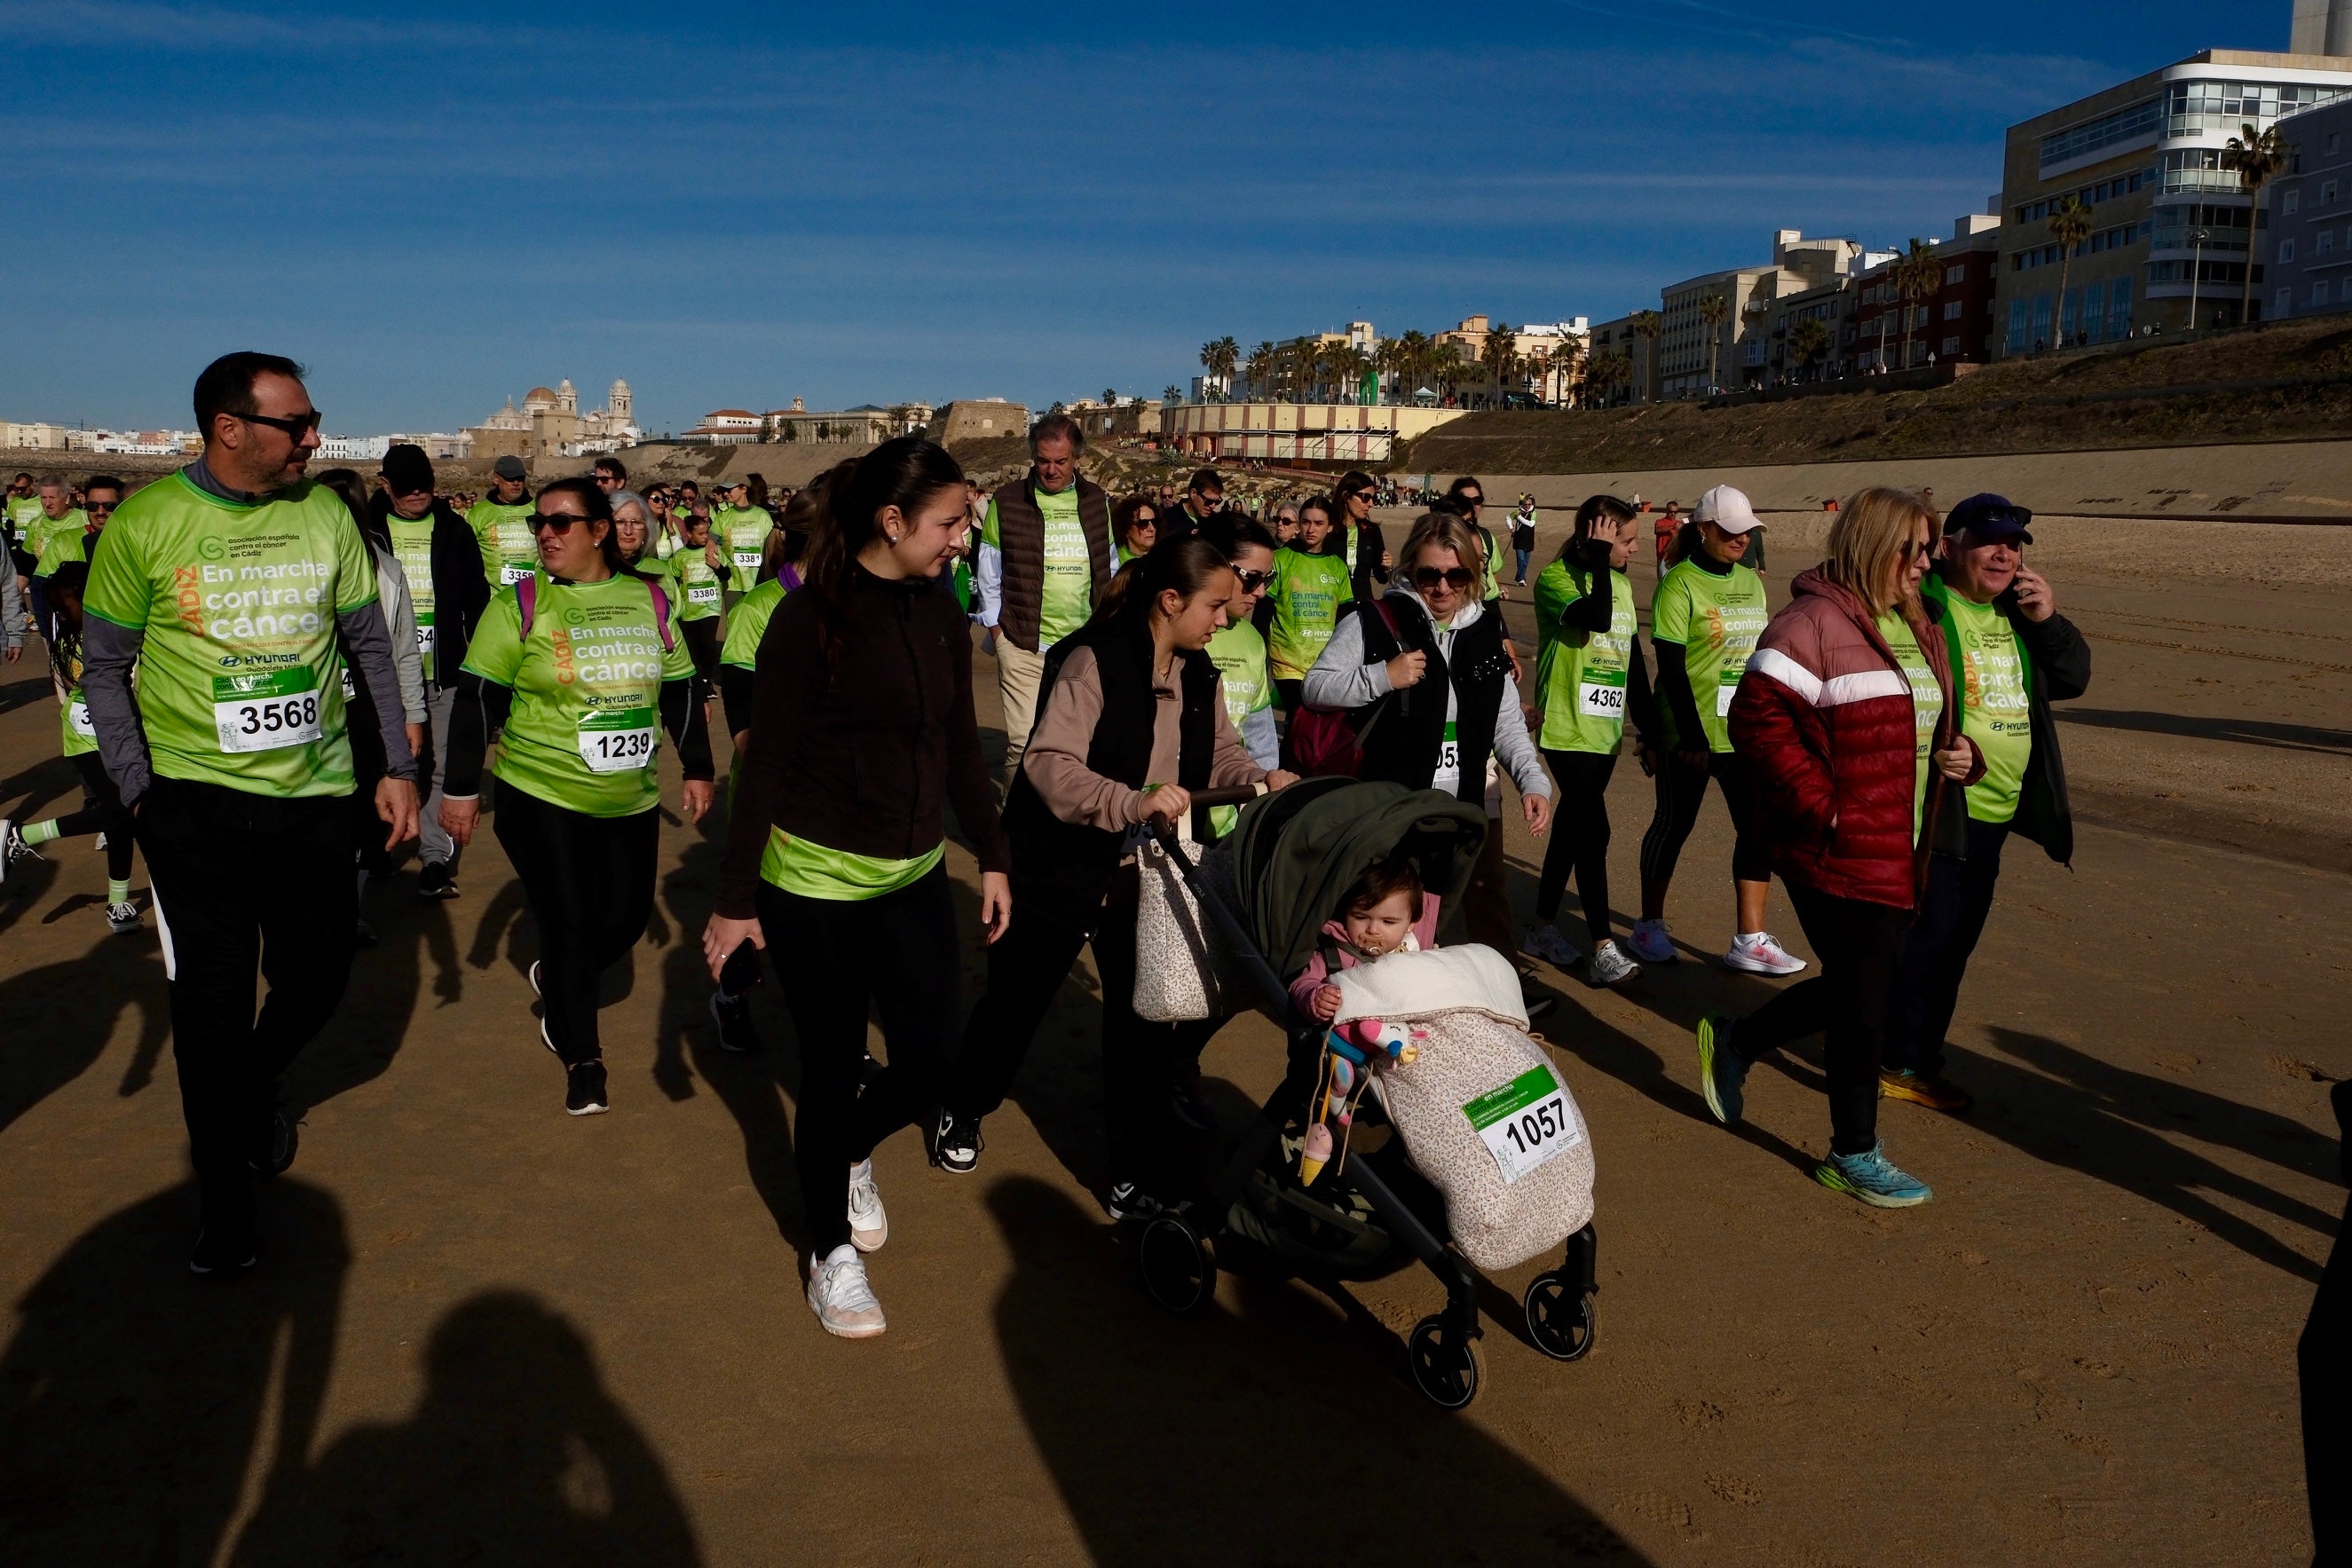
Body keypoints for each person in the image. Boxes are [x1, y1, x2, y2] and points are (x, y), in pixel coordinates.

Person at [78, 351, 419, 1273]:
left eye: (312, 424)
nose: (315, 437)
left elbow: (369, 650)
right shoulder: (147, 524)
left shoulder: (327, 514)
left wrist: (395, 763)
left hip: (316, 798)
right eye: (297, 424)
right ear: (231, 428)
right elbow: (103, 665)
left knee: (317, 980)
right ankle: (223, 1204)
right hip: (193, 810)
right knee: (210, 1010)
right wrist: (136, 783)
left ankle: (259, 1079)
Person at [702, 438, 1011, 1340]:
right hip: (812, 883)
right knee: (831, 1067)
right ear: (892, 521)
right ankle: (827, 1249)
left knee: (931, 1060)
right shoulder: (812, 620)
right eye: (950, 521)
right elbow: (765, 768)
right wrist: (734, 898)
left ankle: (845, 1154)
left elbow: (958, 742)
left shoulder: (942, 615)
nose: (963, 537)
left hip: (912, 872)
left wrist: (990, 853)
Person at [934, 537, 1290, 1211]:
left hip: (1145, 877)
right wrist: (1129, 800)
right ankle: (965, 1102)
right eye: (1214, 604)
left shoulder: (1199, 669)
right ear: (1171, 600)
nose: (1225, 616)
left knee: (1143, 1029)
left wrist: (1258, 778)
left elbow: (1217, 752)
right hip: (1057, 866)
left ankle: (1131, 1173)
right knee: (1014, 1006)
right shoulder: (1092, 659)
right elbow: (1047, 764)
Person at [1699, 486, 1971, 1208]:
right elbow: (1756, 721)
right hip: (1840, 844)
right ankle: (1852, 1151)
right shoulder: (1810, 622)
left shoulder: (1918, 623)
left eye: (1930, 549)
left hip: (1905, 840)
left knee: (1863, 983)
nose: (1925, 564)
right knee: (1864, 999)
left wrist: (1952, 752)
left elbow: (1922, 716)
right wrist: (1825, 809)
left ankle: (1738, 1041)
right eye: (1913, 549)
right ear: (1872, 544)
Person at [438, 477, 714, 1115]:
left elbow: (679, 690)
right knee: (567, 921)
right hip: (539, 791)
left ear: (600, 530)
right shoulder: (521, 604)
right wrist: (458, 791)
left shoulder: (649, 596)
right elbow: (479, 700)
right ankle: (583, 1056)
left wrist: (696, 766)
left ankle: (561, 975)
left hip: (630, 796)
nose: (546, 533)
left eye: (562, 523)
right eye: (540, 523)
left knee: (621, 918)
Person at [1302, 511, 1555, 1012]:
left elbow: (1505, 723)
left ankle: (1419, 1016)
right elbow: (1316, 686)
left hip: (1456, 810)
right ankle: (1353, 1013)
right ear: (1411, 571)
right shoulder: (1374, 621)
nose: (1442, 588)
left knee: (1431, 921)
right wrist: (1382, 676)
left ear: (1473, 575)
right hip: (1387, 808)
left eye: (1456, 576)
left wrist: (1533, 781)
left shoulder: (1484, 632)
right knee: (1377, 925)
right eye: (1429, 575)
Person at [1885, 494, 2089, 1111]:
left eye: (2017, 543)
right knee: (1927, 940)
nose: (2006, 553)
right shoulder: (1928, 607)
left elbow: (2074, 676)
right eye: (1991, 540)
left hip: (1996, 814)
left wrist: (2048, 618)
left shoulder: (2014, 613)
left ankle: (1918, 1057)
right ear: (1950, 547)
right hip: (1943, 809)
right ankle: (1895, 1059)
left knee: (1954, 945)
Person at [1631, 485, 1803, 976]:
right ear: (1702, 530)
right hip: (1686, 731)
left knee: (1756, 829)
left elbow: (1760, 659)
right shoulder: (1679, 583)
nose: (1741, 539)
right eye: (1730, 531)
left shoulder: (1752, 581)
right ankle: (1649, 925)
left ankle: (1750, 938)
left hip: (1743, 731)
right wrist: (1689, 737)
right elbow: (1670, 662)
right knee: (1674, 824)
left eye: (1747, 531)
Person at [705, 484, 828, 1056]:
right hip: (773, 798)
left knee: (827, 929)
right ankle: (731, 999)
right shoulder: (760, 609)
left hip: (835, 799)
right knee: (760, 921)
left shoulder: (857, 600)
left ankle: (838, 1040)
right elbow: (742, 707)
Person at [1525, 495, 1652, 987]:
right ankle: (1602, 946)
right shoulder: (1556, 579)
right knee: (1593, 831)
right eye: (1626, 540)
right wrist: (1598, 559)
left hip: (1604, 730)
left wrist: (1651, 731)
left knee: (1573, 830)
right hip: (1565, 726)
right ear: (1597, 537)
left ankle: (1540, 927)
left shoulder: (1617, 582)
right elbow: (1595, 618)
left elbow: (1631, 660)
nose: (1635, 550)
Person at [0, 482, 133, 926]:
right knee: (120, 810)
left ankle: (117, 901)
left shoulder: (108, 628)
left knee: (120, 814)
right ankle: (22, 833)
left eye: (108, 506)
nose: (100, 512)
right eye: (94, 505)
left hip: (120, 723)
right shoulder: (77, 637)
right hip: (87, 729)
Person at [367, 443, 490, 902]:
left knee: (436, 765)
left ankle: (435, 859)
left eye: (425, 485)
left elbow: (477, 598)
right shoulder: (366, 529)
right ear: (385, 486)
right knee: (381, 765)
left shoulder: (455, 529)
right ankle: (378, 846)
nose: (417, 494)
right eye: (406, 487)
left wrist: (478, 660)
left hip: (443, 672)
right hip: (380, 675)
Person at [973, 413, 1117, 780]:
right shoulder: (1006, 502)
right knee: (1023, 741)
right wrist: (995, 629)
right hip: (1022, 642)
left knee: (1079, 739)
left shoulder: (1096, 500)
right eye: (1042, 461)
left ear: (1077, 460)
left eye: (1060, 461)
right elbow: (989, 569)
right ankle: (1014, 827)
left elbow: (1109, 564)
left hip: (1083, 645)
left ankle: (1061, 823)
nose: (1050, 470)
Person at [1288, 856, 1440, 1025]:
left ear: (1411, 923)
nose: (1373, 930)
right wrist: (1317, 997)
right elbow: (1301, 984)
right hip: (1362, 1034)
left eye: (1388, 922)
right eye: (1361, 917)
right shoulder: (1336, 952)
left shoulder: (1419, 945)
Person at [1264, 494, 1354, 721]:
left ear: (1330, 527)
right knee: (1299, 719)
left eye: (1318, 523)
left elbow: (1346, 618)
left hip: (1325, 662)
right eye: (1305, 522)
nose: (1311, 529)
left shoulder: (1337, 567)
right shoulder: (1280, 559)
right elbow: (1263, 612)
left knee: (1318, 728)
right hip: (1288, 663)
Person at [467, 454, 536, 590]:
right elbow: (465, 557)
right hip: (493, 599)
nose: (516, 483)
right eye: (510, 478)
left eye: (520, 478)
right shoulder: (478, 513)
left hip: (534, 596)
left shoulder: (538, 509)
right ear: (496, 479)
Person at [1331, 469, 1390, 604]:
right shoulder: (1328, 529)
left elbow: (1382, 578)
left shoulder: (1372, 531)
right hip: (1330, 606)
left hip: (1362, 607)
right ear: (1346, 496)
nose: (1371, 504)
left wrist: (1387, 567)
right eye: (1365, 497)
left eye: (1373, 498)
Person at [1444, 476, 1506, 603]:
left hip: (1488, 604)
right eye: (1466, 500)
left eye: (1477, 500)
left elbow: (1493, 572)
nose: (1472, 505)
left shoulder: (1487, 537)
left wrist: (1496, 591)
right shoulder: (1442, 538)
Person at [1163, 467, 1223, 542]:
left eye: (1217, 502)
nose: (1213, 506)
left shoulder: (1216, 522)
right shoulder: (1167, 518)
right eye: (1209, 501)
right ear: (1193, 493)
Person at [1114, 493, 1158, 563]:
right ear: (1126, 528)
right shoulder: (1114, 562)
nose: (1151, 528)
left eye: (1154, 522)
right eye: (1143, 523)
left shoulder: (1167, 559)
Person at [1509, 494, 1538, 586]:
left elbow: (1530, 524)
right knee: (1521, 560)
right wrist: (1511, 528)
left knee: (1525, 562)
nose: (1527, 506)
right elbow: (1508, 518)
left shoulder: (1534, 513)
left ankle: (1520, 578)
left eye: (1529, 504)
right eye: (1525, 504)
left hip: (1529, 541)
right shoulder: (1517, 511)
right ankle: (1521, 579)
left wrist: (1519, 518)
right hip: (1518, 540)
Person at [1653, 500, 1681, 571]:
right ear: (1666, 511)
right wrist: (1673, 527)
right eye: (1671, 512)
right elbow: (1658, 530)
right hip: (1662, 556)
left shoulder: (1679, 523)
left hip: (1674, 556)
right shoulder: (1660, 522)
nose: (1673, 514)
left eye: (1675, 512)